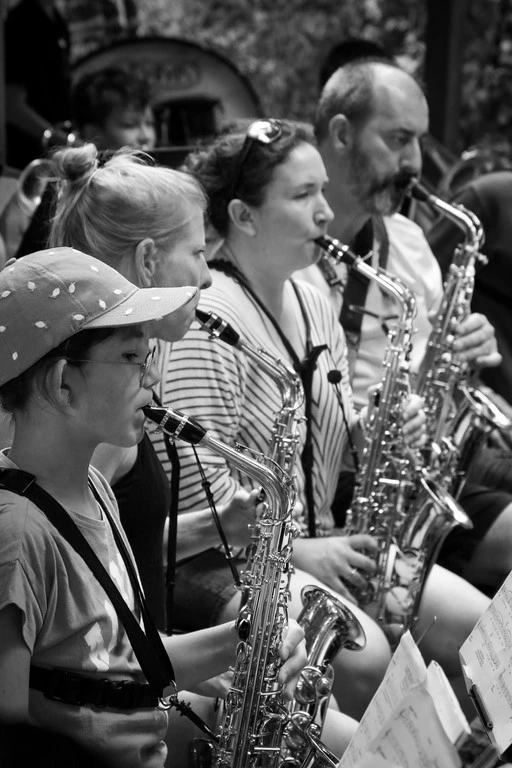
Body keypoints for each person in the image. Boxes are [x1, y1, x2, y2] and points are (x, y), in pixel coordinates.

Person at [145, 118, 489, 722]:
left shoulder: (311, 296)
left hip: (325, 539)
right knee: (365, 658)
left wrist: (375, 428)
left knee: (483, 628)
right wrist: (303, 551)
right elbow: (209, 506)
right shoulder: (209, 323)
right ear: (244, 217)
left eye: (323, 191)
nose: (327, 212)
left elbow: (335, 425)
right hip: (230, 564)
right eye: (303, 196)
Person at [46, 142, 356, 761]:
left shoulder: (112, 387)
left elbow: (110, 553)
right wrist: (221, 651)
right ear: (149, 259)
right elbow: (78, 639)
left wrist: (206, 532)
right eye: (197, 253)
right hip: (120, 706)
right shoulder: (98, 410)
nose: (210, 275)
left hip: (140, 674)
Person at [0, 246, 306, 767]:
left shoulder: (95, 487)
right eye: (130, 358)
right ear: (62, 384)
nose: (152, 379)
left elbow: (122, 662)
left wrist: (245, 643)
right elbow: (11, 738)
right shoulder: (18, 534)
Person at [302, 58, 512, 598]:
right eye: (399, 139)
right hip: (354, 485)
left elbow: (432, 373)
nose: (414, 163)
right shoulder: (286, 251)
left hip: (431, 462)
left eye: (418, 141)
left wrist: (467, 351)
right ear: (342, 134)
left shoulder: (411, 243)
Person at [1, 65, 158, 264]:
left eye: (150, 124)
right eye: (129, 125)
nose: (145, 136)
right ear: (93, 132)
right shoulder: (57, 190)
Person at [4, 0, 73, 171]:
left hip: (58, 151)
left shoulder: (57, 19)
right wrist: (55, 138)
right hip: (30, 156)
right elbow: (10, 104)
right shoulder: (21, 21)